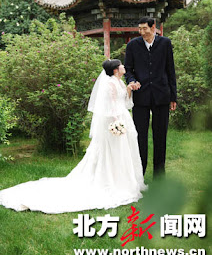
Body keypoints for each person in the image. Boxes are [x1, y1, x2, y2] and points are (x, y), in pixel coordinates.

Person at [0, 59, 147, 214]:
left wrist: (130, 88)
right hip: (114, 120)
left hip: (122, 116)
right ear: (116, 70)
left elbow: (124, 101)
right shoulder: (109, 83)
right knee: (112, 151)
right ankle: (113, 180)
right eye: (121, 66)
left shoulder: (120, 82)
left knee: (123, 150)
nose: (124, 67)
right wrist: (116, 123)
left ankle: (124, 179)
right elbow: (109, 106)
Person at [124, 17, 177, 177]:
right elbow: (128, 68)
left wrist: (173, 97)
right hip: (140, 97)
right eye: (139, 29)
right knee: (140, 136)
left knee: (160, 135)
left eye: (144, 28)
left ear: (153, 28)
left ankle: (159, 175)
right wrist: (132, 80)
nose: (142, 32)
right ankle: (140, 173)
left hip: (162, 95)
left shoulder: (165, 43)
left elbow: (170, 70)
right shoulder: (133, 45)